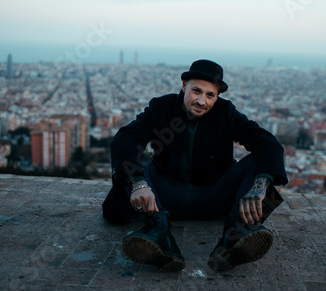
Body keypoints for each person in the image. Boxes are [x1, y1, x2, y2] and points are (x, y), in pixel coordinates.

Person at [103, 59, 288, 273]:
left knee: (260, 161)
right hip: (167, 197)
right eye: (196, 91)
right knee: (138, 161)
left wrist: (259, 186)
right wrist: (138, 183)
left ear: (217, 97)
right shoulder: (161, 107)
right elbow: (127, 139)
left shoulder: (226, 112)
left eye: (210, 95)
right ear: (184, 86)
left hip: (215, 195)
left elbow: (267, 143)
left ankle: (234, 237)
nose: (202, 101)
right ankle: (159, 231)